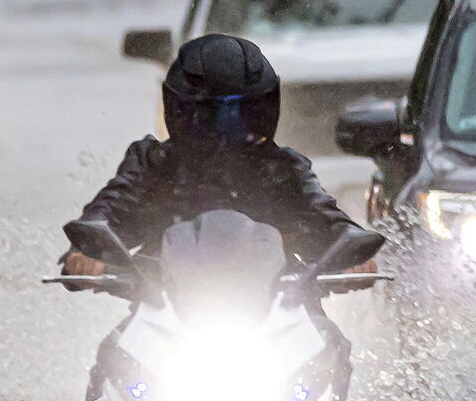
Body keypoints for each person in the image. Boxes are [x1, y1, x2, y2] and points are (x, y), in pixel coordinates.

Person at [60, 33, 378, 283]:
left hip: (280, 310)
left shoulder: (283, 168)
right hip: (164, 311)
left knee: (329, 346)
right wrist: (89, 246)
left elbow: (321, 212)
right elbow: (113, 205)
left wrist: (348, 247)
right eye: (208, 115)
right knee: (114, 358)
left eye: (241, 113)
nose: (225, 128)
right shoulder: (153, 164)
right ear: (178, 111)